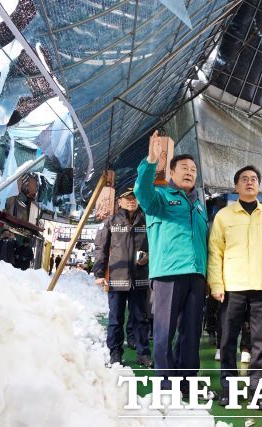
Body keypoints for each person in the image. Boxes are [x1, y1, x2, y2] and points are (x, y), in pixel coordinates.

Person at [134, 131, 208, 395]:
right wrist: (151, 161)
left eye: (194, 169)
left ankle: (187, 381)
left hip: (196, 276)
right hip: (168, 273)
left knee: (191, 332)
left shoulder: (200, 206)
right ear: (173, 173)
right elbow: (141, 191)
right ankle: (165, 382)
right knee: (165, 331)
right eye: (184, 168)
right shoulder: (160, 198)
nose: (190, 172)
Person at [207, 165, 262, 409]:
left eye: (254, 179)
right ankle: (228, 388)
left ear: (259, 186)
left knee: (260, 341)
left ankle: (258, 390)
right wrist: (216, 284)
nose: (250, 182)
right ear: (236, 186)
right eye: (244, 179)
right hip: (232, 287)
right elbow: (215, 252)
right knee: (228, 339)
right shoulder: (224, 215)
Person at [93, 188, 152, 368]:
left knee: (140, 319)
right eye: (127, 199)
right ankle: (115, 352)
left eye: (134, 198)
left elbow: (156, 243)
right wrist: (99, 273)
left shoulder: (147, 220)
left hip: (140, 279)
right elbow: (101, 248)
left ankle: (144, 354)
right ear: (120, 202)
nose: (131, 201)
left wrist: (149, 255)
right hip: (117, 279)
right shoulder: (111, 222)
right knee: (115, 319)